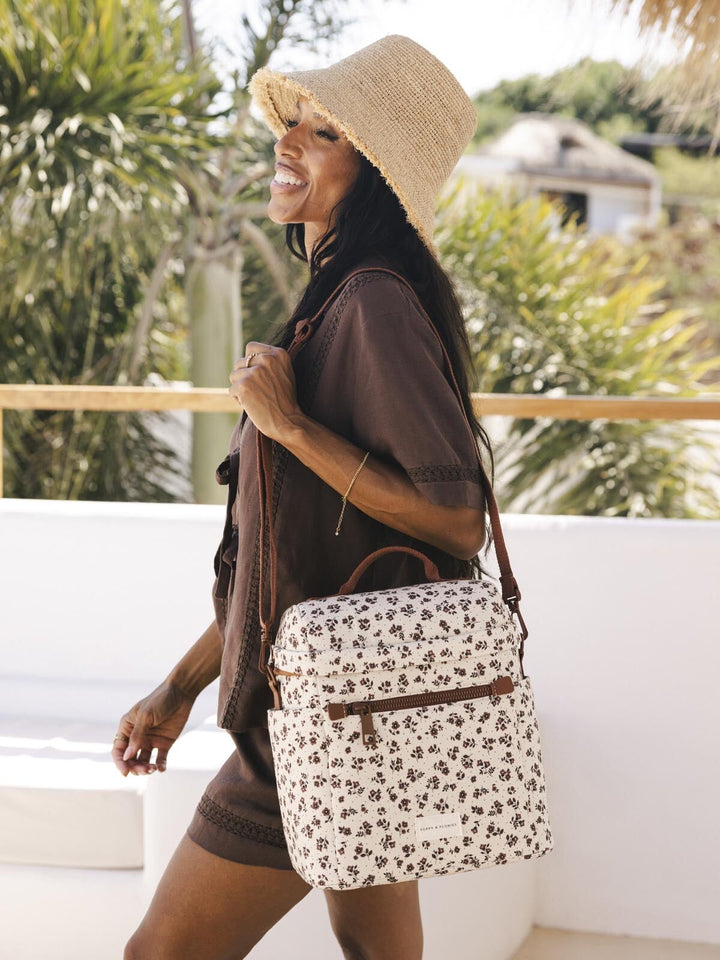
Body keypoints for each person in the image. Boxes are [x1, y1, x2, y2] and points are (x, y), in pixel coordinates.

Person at [115, 34, 493, 960]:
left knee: (160, 955)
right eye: (293, 123)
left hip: (323, 724)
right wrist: (181, 685)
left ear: (374, 178)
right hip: (360, 709)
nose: (288, 144)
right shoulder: (337, 299)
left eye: (323, 135)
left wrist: (288, 430)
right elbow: (291, 556)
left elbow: (457, 519)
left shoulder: (370, 301)